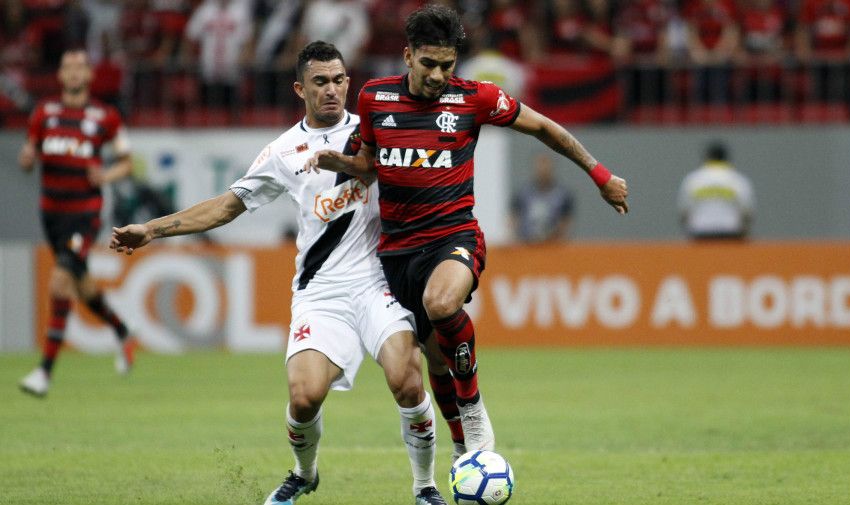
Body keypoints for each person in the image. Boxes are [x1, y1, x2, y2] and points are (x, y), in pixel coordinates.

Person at [109, 41, 447, 505]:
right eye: (320, 82)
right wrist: (151, 229)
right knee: (304, 396)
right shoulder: (283, 151)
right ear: (299, 89)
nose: (332, 90)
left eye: (339, 80)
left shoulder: (376, 130)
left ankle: (425, 487)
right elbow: (227, 207)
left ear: (350, 81)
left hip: (378, 284)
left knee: (407, 378)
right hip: (321, 292)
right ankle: (304, 474)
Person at [304, 4, 629, 460]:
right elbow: (369, 165)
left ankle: (473, 408)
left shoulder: (474, 98)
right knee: (436, 361)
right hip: (397, 253)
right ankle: (463, 449)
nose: (438, 75)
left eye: (447, 65)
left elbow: (544, 128)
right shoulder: (375, 99)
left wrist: (600, 175)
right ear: (407, 56)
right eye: (429, 64)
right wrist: (341, 162)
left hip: (454, 235)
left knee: (442, 303)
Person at [18, 48, 135, 398]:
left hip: (84, 212)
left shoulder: (105, 116)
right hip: (51, 212)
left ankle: (44, 372)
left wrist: (106, 174)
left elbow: (126, 163)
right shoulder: (44, 113)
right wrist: (26, 159)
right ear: (59, 75)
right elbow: (29, 156)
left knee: (60, 282)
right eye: (66, 66)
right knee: (82, 286)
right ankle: (122, 331)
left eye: (79, 66)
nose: (72, 72)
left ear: (88, 75)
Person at [677, 141, 755, 240]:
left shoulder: (693, 180)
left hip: (700, 233)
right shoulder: (738, 180)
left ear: (706, 157)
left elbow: (684, 212)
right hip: (731, 233)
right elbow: (747, 211)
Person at [510, 153, 575, 244]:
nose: (543, 169)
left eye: (546, 165)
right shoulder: (523, 193)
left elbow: (566, 221)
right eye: (540, 165)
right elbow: (514, 218)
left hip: (552, 245)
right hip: (527, 244)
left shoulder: (562, 194)